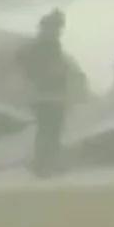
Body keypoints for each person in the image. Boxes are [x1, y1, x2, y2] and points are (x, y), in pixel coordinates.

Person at [17, 9, 74, 178]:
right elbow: (25, 62)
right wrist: (43, 74)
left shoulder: (51, 45)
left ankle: (49, 161)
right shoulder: (42, 46)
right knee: (47, 129)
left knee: (53, 129)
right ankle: (42, 163)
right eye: (57, 27)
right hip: (45, 95)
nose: (59, 31)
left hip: (53, 94)